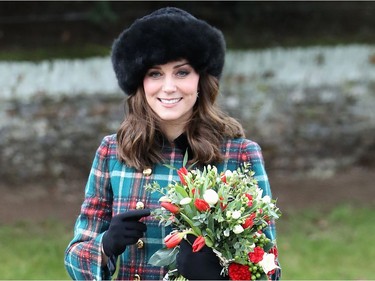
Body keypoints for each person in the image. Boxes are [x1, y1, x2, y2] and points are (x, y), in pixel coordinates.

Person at [64, 6, 281, 281]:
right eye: (155, 73)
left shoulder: (240, 153)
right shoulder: (113, 151)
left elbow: (268, 269)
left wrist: (215, 275)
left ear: (201, 79)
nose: (168, 87)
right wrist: (105, 246)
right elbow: (74, 260)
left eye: (181, 72)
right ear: (140, 82)